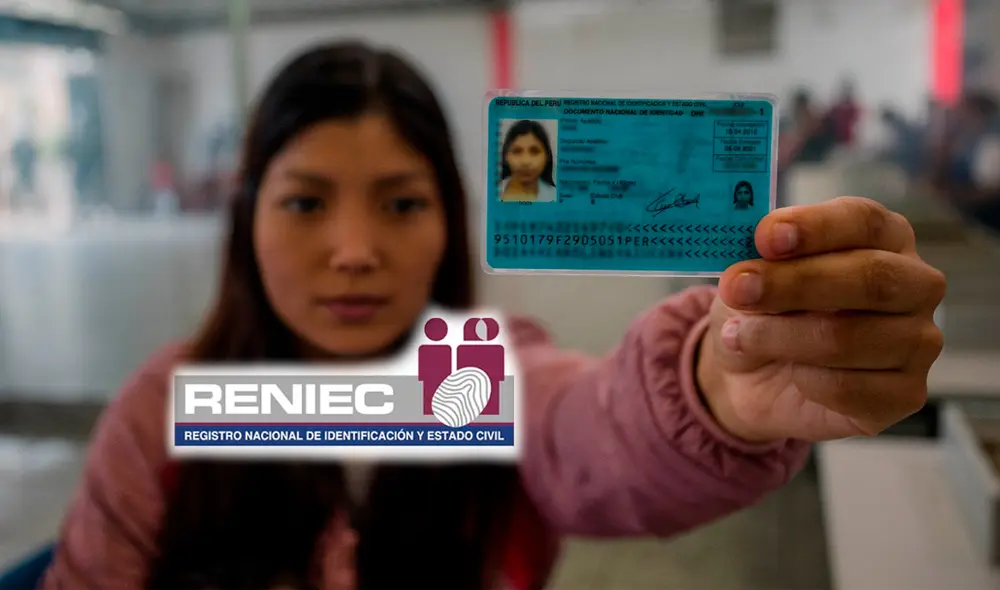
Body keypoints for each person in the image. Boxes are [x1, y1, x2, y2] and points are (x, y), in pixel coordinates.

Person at [42, 42, 945, 590]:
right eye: (306, 203)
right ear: (245, 220)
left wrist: (718, 384)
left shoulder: (478, 378)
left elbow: (590, 428)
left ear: (451, 221)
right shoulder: (164, 414)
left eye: (400, 204)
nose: (355, 249)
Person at [499, 119, 557, 202]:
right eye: (517, 151)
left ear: (547, 156)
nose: (525, 161)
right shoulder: (490, 193)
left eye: (535, 151)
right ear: (506, 156)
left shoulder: (556, 198)